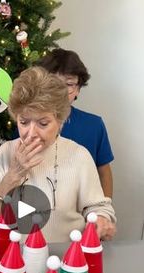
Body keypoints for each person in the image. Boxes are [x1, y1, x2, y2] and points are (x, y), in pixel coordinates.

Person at [0, 66, 116, 243]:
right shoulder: (7, 151)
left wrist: (101, 218)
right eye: (24, 122)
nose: (31, 133)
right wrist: (13, 175)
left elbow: (98, 206)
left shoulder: (79, 155)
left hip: (67, 258)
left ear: (60, 121)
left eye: (43, 123)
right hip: (15, 259)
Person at [36, 48, 114, 198]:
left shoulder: (94, 125)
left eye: (69, 84)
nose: (61, 91)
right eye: (54, 83)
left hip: (85, 209)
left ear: (78, 88)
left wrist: (105, 210)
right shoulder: (29, 125)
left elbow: (104, 172)